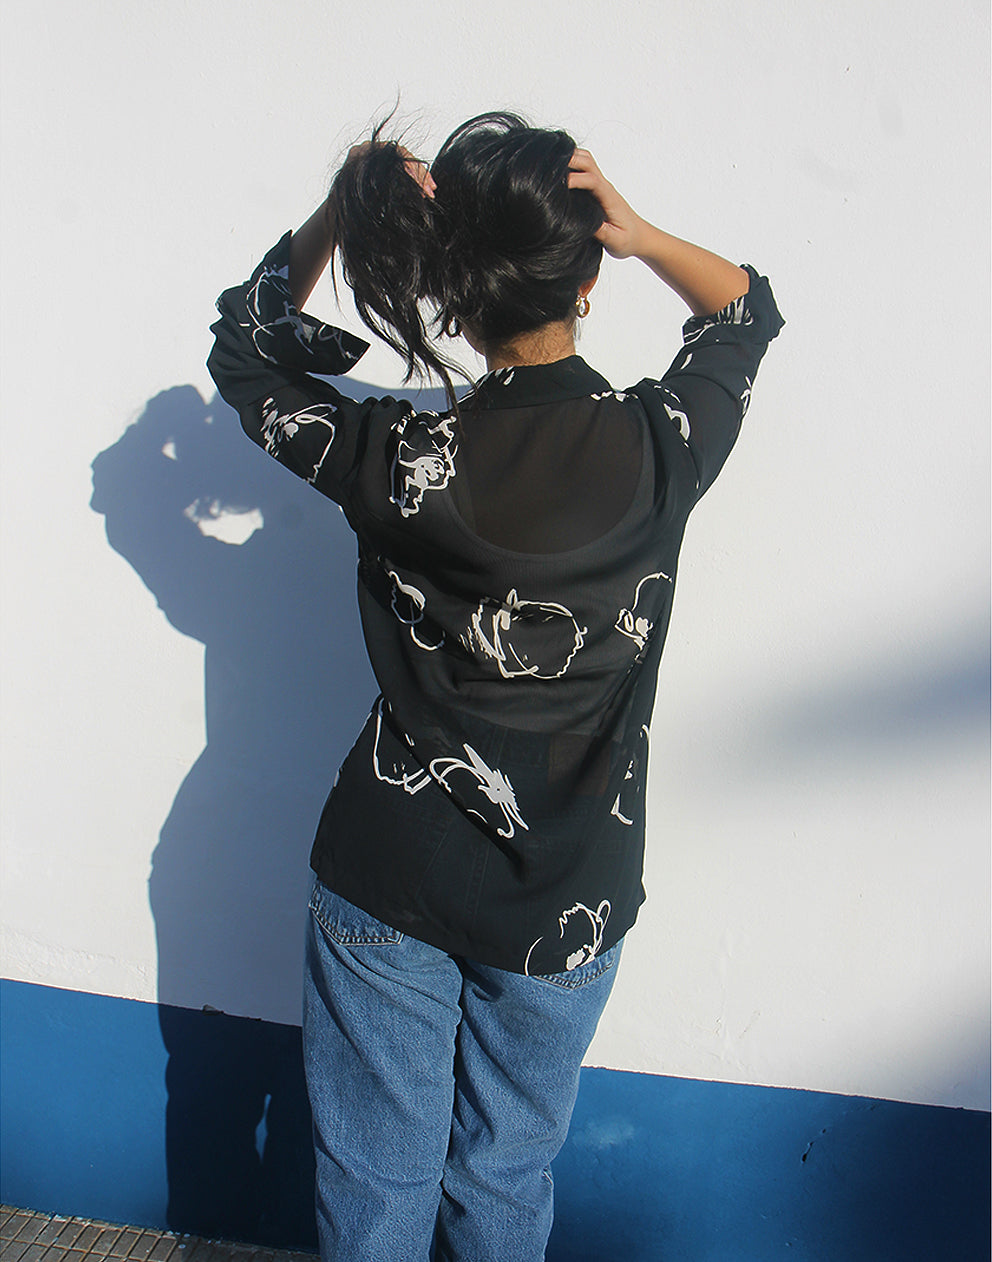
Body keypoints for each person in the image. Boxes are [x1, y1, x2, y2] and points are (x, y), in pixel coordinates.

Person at [207, 111, 783, 1262]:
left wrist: (344, 209)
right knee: (505, 1172)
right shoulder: (660, 442)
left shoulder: (395, 458)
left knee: (373, 1182)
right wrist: (633, 229)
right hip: (569, 887)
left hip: (388, 873)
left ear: (451, 296)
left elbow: (247, 348)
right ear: (585, 281)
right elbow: (744, 310)